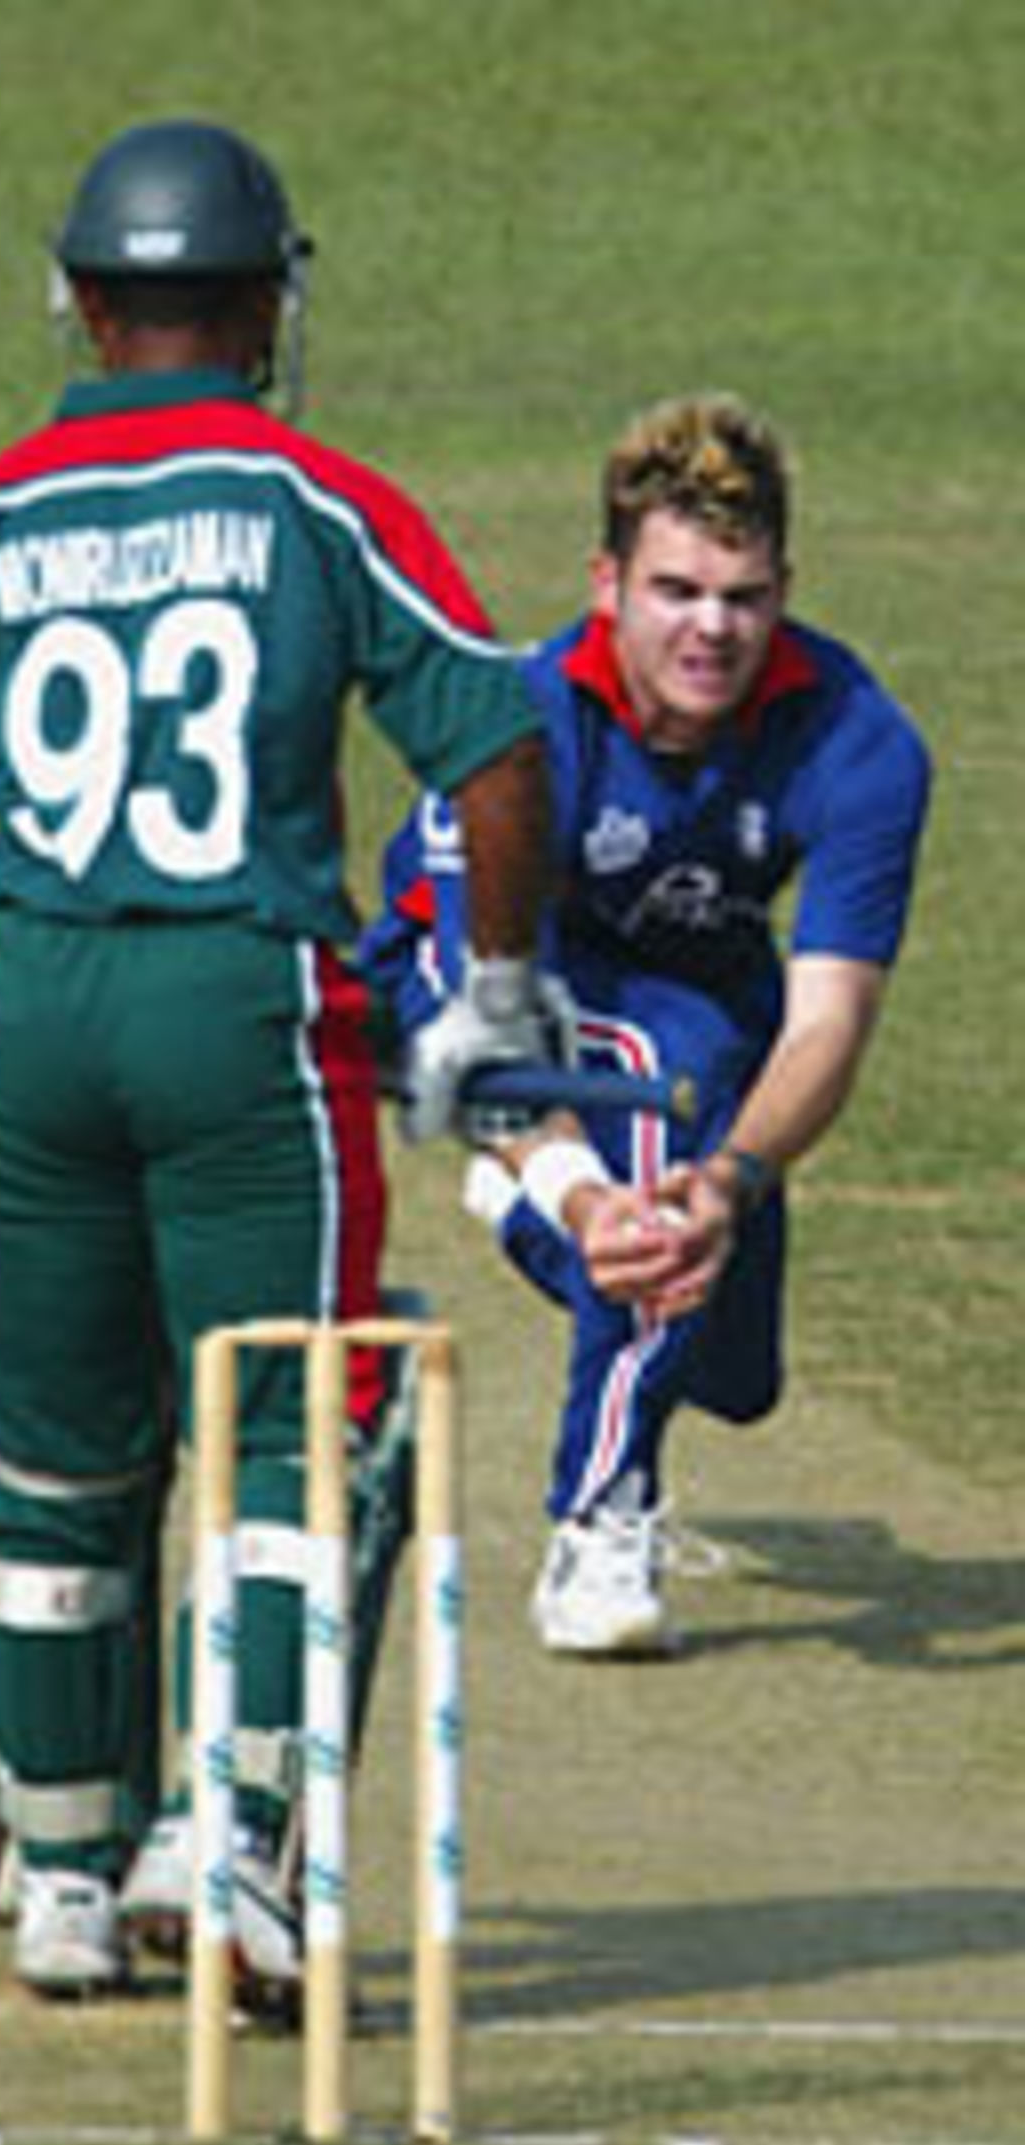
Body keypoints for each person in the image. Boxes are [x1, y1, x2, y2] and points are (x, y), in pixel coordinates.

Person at [0, 117, 555, 2000]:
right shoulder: (319, 498)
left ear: (75, 298)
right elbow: (497, 743)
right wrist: (497, 995)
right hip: (245, 1004)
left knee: (56, 1450)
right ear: (267, 297)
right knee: (302, 1423)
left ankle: (63, 1873)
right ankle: (230, 1850)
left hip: (39, 1008)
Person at [361, 392, 932, 1659]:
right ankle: (599, 1521)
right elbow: (482, 1022)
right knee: (643, 1216)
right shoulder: (516, 727)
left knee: (733, 1372)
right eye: (674, 591)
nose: (709, 628)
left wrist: (733, 1178)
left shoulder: (858, 738)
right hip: (460, 989)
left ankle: (542, 1215)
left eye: (742, 595)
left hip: (690, 989)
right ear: (605, 582)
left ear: (784, 587)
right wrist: (580, 1191)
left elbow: (828, 1014)